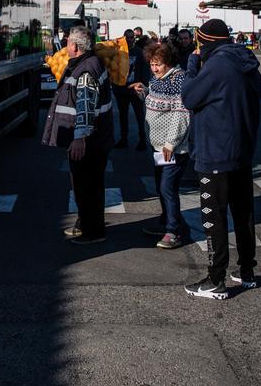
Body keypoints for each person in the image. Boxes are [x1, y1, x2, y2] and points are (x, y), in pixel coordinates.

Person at [180, 19, 261, 299]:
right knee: (243, 214)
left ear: (205, 42)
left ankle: (215, 279)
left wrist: (192, 65)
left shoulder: (216, 65)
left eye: (199, 44)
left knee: (213, 216)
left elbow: (190, 97)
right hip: (241, 150)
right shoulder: (247, 62)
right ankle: (247, 271)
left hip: (215, 151)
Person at [43, 25, 114, 245]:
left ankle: (93, 231)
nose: (65, 46)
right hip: (97, 137)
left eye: (67, 43)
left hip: (88, 141)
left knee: (87, 185)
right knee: (87, 183)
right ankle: (85, 222)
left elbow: (85, 106)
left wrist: (80, 138)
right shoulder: (89, 64)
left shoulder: (85, 70)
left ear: (74, 46)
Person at [130, 40, 191, 248]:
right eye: (151, 64)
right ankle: (167, 221)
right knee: (161, 186)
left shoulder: (179, 79)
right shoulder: (157, 79)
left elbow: (182, 115)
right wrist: (144, 91)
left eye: (158, 64)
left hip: (172, 147)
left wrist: (170, 143)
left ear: (169, 62)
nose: (154, 68)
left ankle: (174, 231)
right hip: (158, 145)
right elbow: (155, 102)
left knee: (167, 187)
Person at [112, 30, 148, 150]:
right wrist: (115, 86)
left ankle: (142, 139)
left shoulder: (139, 52)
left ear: (134, 38)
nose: (129, 39)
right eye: (127, 37)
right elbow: (114, 69)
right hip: (122, 89)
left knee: (139, 115)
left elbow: (145, 70)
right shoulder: (119, 52)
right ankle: (123, 139)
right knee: (123, 115)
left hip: (135, 88)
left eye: (132, 37)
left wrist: (143, 86)